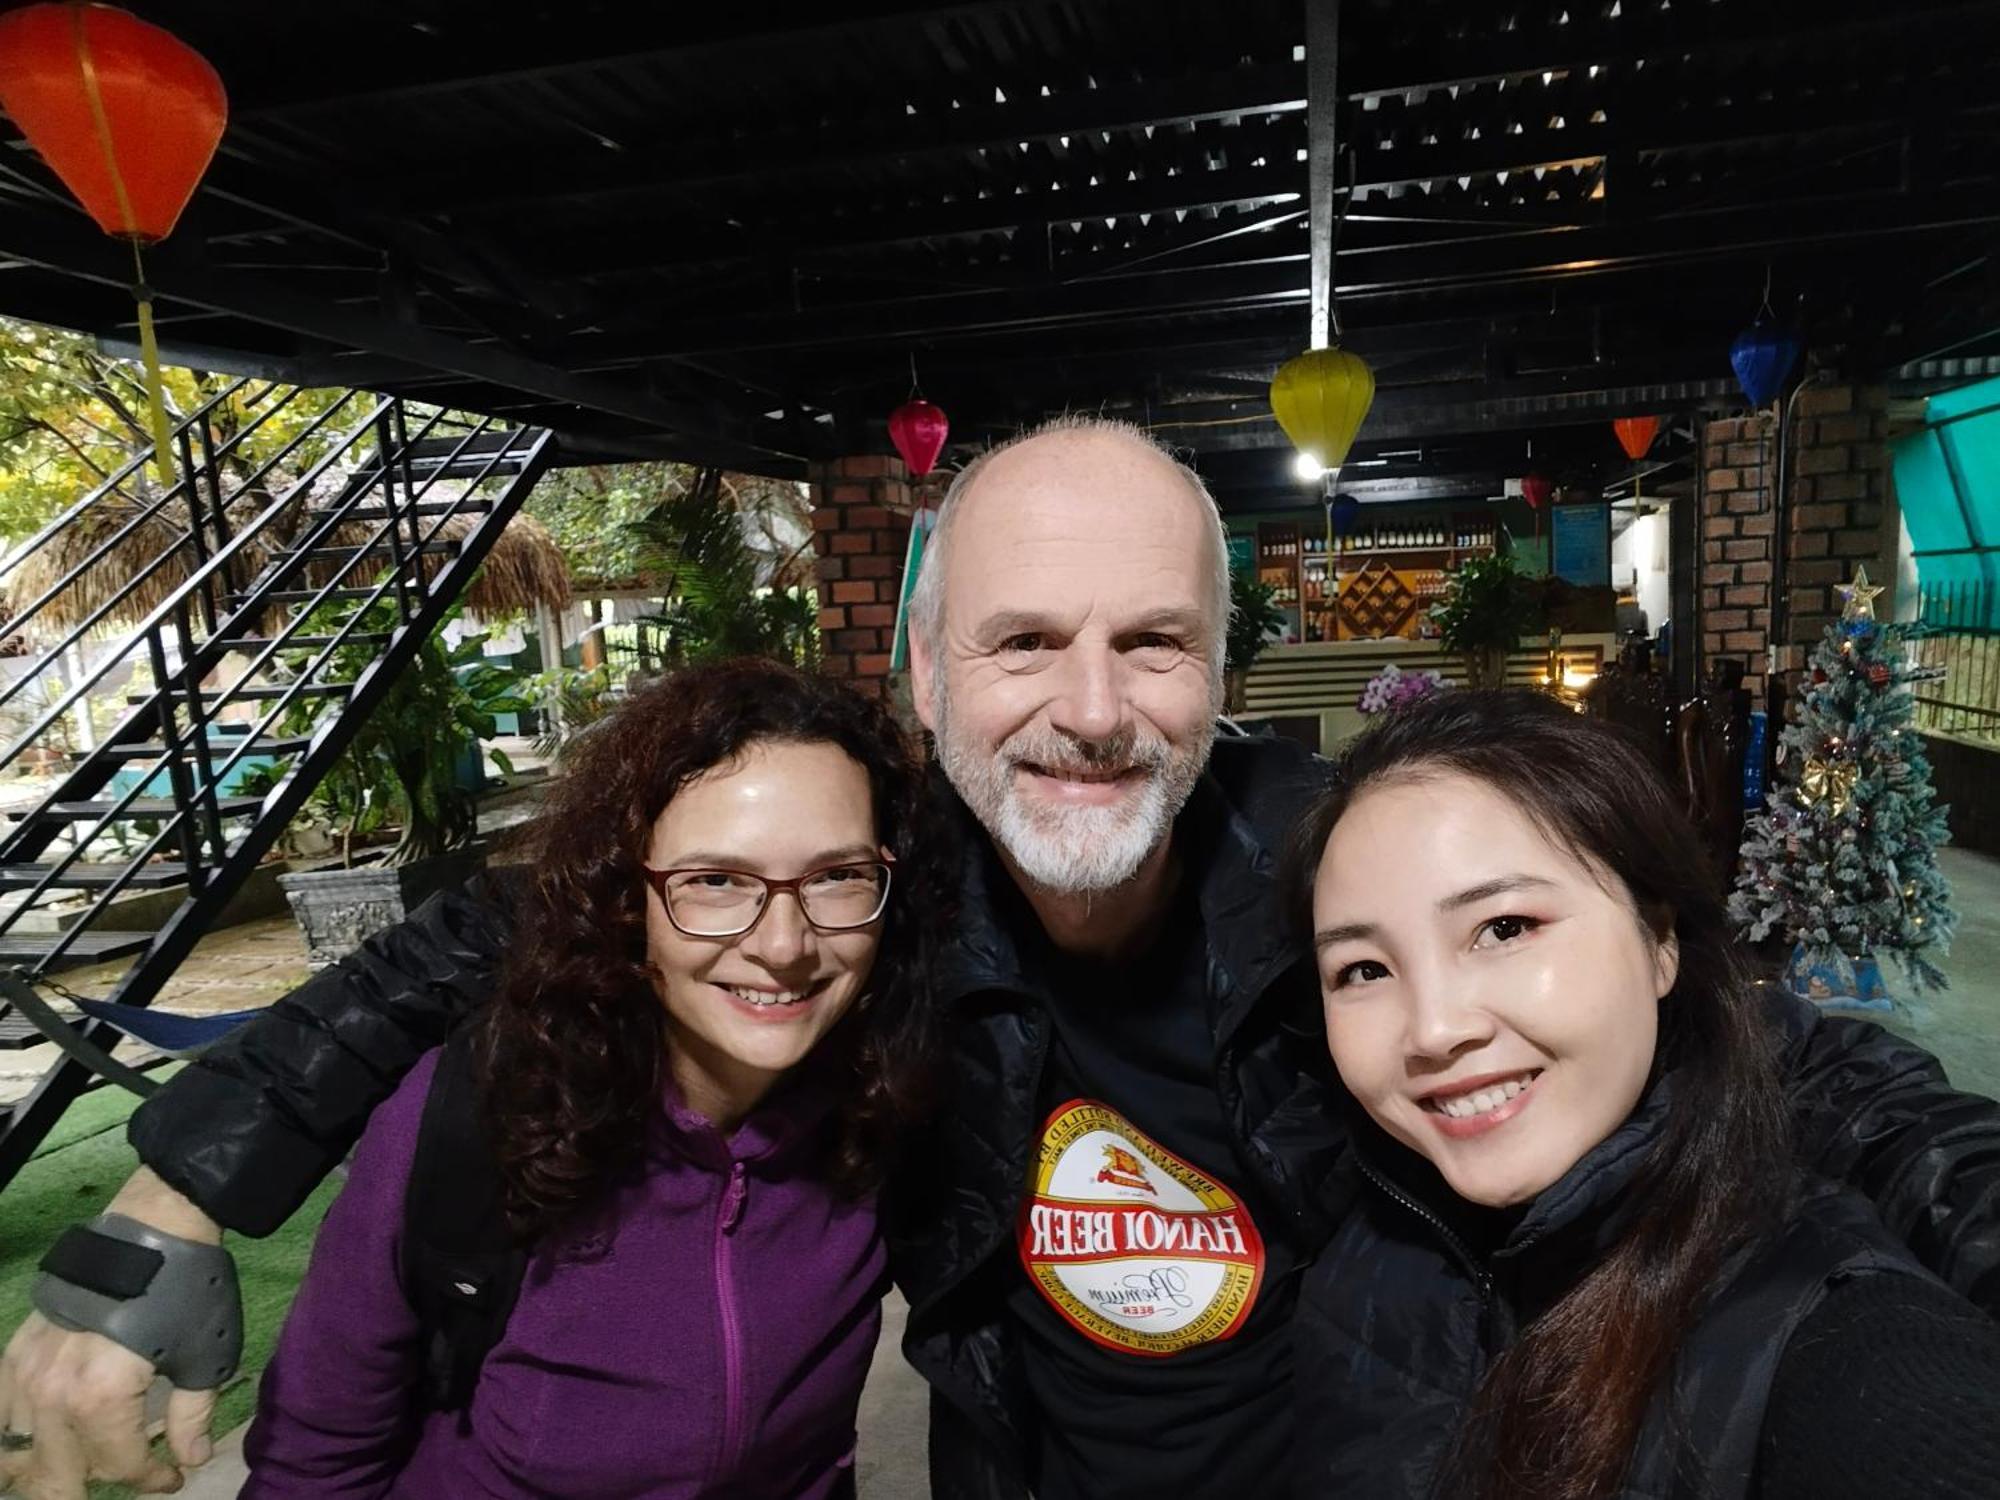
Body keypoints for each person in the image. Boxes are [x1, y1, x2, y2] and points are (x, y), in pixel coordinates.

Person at [5, 417, 2000, 1500]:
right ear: (929, 675)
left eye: (1150, 643)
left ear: (1222, 673)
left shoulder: (1337, 868)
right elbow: (513, 927)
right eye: (1023, 645)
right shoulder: (879, 887)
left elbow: (1763, 1054)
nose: (1088, 709)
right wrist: (172, 1197)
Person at [242, 658, 939, 1496]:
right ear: (625, 898)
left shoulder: (885, 1105)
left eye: (837, 876)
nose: (783, 944)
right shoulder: (478, 1112)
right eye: (714, 881)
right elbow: (313, 1462)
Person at [1295, 689, 2000, 1499]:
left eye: (1505, 928)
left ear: (1659, 942)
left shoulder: (1818, 1319)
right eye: (1363, 970)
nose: (1432, 1030)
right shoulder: (1361, 1219)